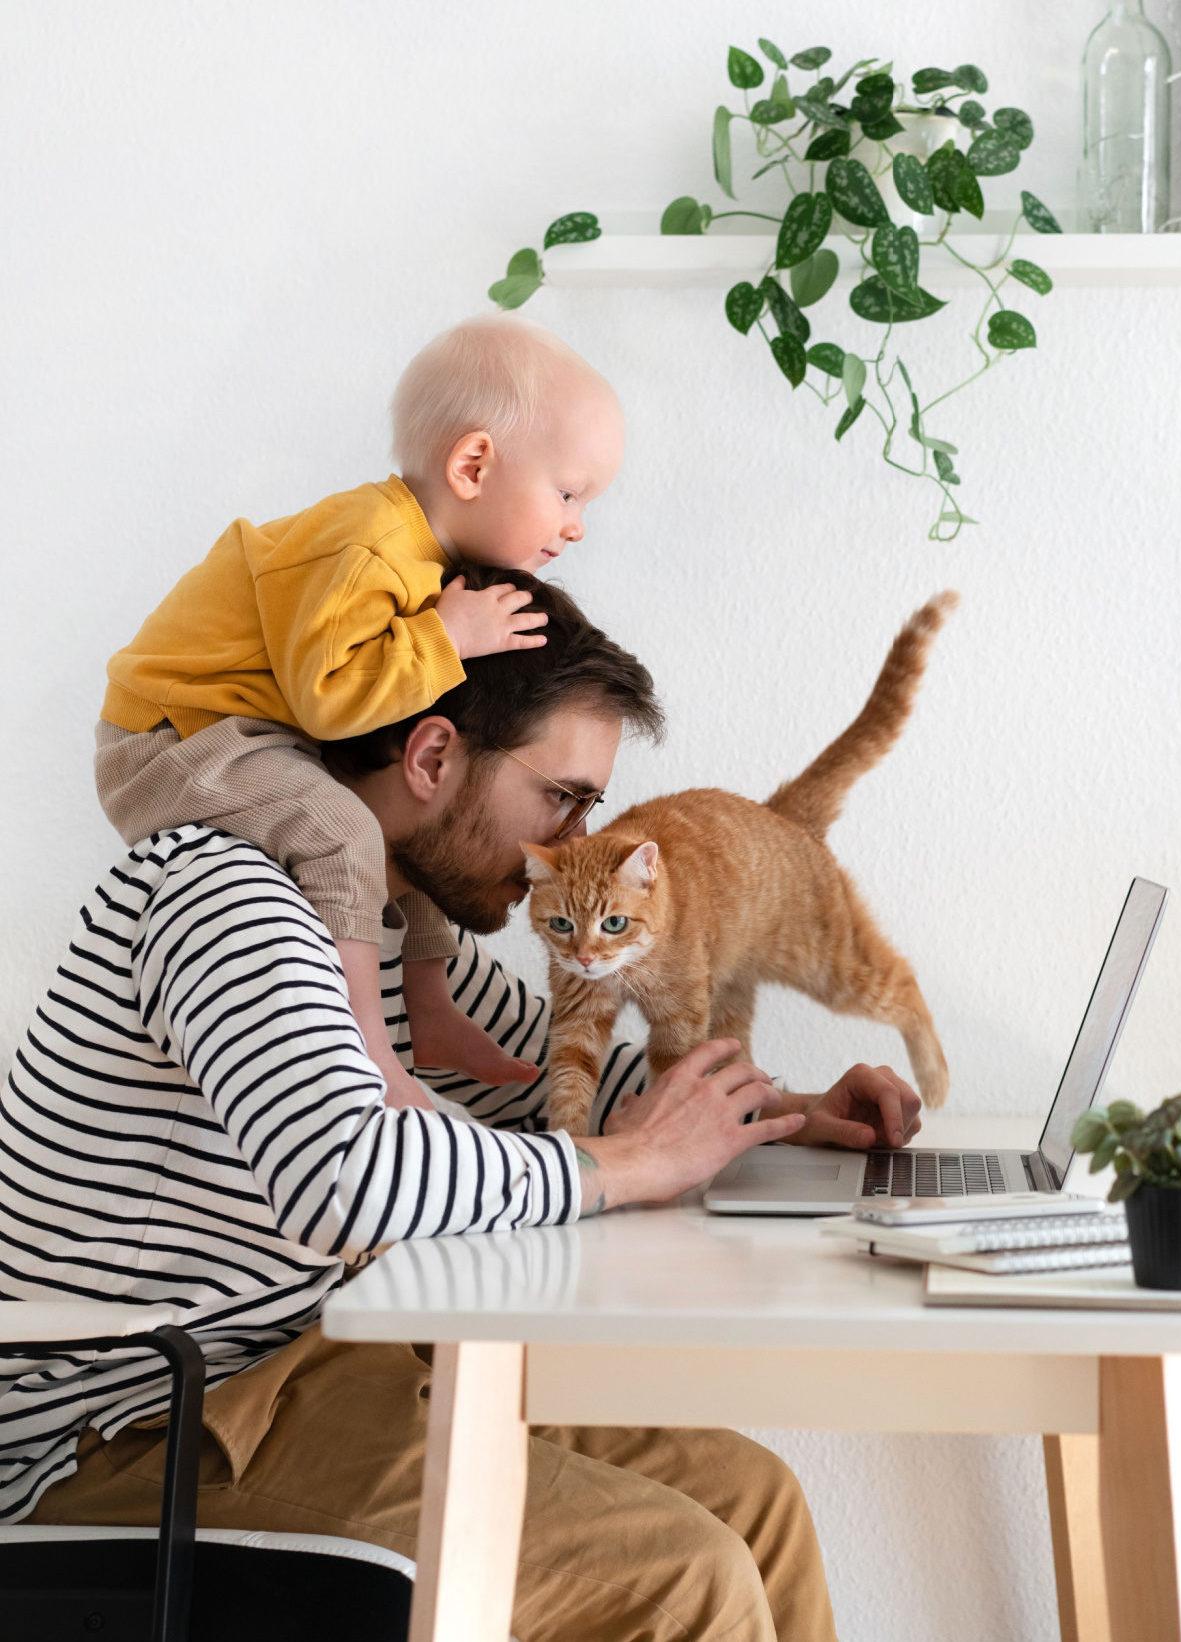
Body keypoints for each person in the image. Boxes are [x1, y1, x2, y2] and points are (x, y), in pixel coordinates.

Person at [5, 569, 924, 1641]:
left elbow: (550, 1075)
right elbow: (344, 1177)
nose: (578, 837)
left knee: (753, 1501)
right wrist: (625, 1167)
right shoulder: (225, 894)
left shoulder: (388, 928)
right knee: (682, 1574)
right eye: (562, 796)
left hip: (302, 1372)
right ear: (434, 756)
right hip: (124, 1433)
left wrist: (791, 1111)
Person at [94, 310, 624, 1112]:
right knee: (346, 831)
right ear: (474, 464)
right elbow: (331, 700)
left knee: (382, 836)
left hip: (236, 731)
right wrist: (445, 636)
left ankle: (430, 1009)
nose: (576, 526)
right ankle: (374, 1045)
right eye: (568, 493)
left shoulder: (417, 554)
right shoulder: (369, 547)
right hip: (173, 736)